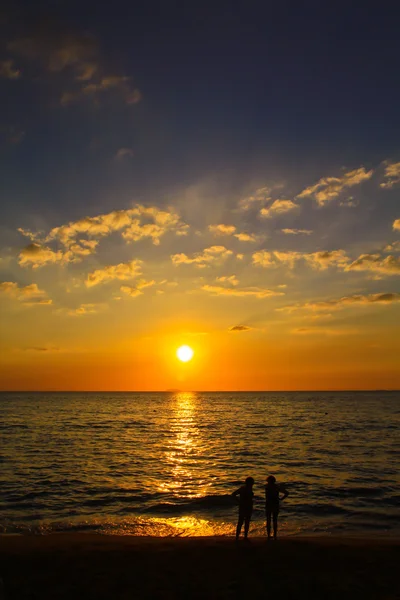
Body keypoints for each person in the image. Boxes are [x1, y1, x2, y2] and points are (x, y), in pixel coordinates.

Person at [265, 475, 288, 540]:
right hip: (275, 504)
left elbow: (286, 493)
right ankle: (274, 535)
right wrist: (281, 498)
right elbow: (286, 493)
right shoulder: (276, 487)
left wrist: (281, 499)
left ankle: (269, 535)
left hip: (269, 504)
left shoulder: (267, 487)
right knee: (274, 520)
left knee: (269, 520)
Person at [232, 477, 254, 541]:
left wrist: (239, 501)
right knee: (242, 522)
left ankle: (242, 537)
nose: (253, 483)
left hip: (246, 506)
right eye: (252, 482)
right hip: (245, 506)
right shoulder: (243, 488)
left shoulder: (247, 488)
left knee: (244, 521)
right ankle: (240, 537)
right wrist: (239, 501)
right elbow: (233, 494)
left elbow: (234, 494)